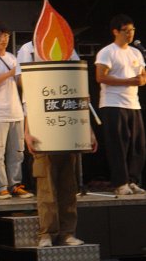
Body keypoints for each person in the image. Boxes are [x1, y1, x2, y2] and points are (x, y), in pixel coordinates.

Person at [19, 40, 98, 247]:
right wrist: (27, 131)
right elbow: (28, 95)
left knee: (68, 186)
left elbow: (80, 93)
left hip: (67, 130)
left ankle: (67, 232)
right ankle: (47, 233)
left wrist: (88, 131)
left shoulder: (68, 50)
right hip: (42, 130)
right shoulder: (29, 50)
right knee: (46, 187)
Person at [0, 21, 33, 200]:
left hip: (15, 110)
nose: (4, 39)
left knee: (17, 152)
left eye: (6, 36)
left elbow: (19, 82)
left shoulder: (12, 57)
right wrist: (10, 73)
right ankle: (0, 186)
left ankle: (15, 184)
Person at [95, 14, 146, 195]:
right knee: (118, 145)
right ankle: (120, 182)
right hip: (113, 103)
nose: (130, 34)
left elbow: (142, 76)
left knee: (138, 145)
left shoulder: (136, 52)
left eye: (132, 30)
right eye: (126, 31)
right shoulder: (107, 52)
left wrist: (139, 80)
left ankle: (133, 180)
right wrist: (129, 81)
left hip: (133, 104)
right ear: (115, 32)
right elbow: (100, 77)